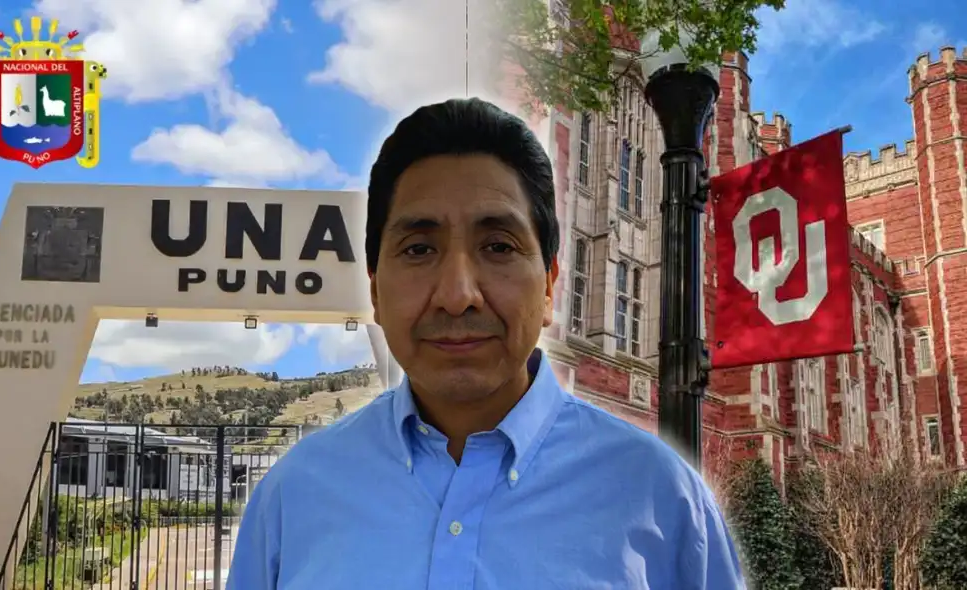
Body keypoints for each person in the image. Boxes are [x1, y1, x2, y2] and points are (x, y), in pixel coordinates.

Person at [227, 98, 746, 589]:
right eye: (419, 249)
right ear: (375, 290)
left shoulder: (662, 498)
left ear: (549, 286)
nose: (458, 296)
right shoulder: (293, 497)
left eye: (498, 246)